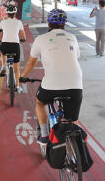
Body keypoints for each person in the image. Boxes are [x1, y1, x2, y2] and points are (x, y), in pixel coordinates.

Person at [20, 9, 83, 147]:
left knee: (40, 102)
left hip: (51, 86)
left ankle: (44, 135)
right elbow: (75, 57)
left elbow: (31, 62)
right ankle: (76, 148)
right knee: (73, 120)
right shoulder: (72, 37)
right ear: (64, 24)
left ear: (48, 24)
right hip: (76, 86)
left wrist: (23, 77)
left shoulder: (40, 39)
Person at [0, 2, 26, 88]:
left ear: (7, 13)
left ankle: (3, 66)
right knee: (16, 67)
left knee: (2, 50)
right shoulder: (19, 22)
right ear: (15, 13)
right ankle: (18, 86)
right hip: (15, 47)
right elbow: (23, 36)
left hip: (5, 46)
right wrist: (23, 39)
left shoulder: (3, 22)